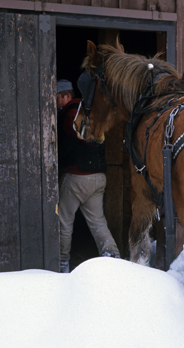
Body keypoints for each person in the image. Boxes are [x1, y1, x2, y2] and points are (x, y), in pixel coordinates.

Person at [57, 79, 120, 273]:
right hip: (97, 176)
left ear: (67, 96)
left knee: (64, 221)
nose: (55, 103)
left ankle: (61, 264)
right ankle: (113, 258)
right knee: (98, 222)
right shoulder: (89, 109)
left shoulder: (71, 112)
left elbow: (73, 138)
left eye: (57, 98)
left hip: (76, 176)